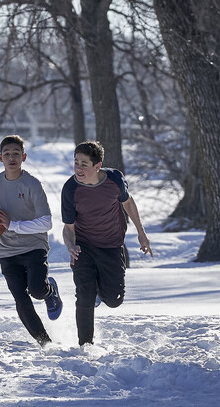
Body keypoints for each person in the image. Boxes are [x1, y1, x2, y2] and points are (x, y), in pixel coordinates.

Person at [0, 135, 62, 347]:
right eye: (7, 154)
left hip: (33, 247)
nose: (11, 158)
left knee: (37, 291)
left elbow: (46, 222)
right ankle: (45, 343)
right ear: (0, 158)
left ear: (24, 157)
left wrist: (13, 225)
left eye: (16, 154)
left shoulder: (32, 184)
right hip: (6, 251)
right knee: (20, 298)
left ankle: (50, 290)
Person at [60, 141, 153, 347]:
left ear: (97, 166)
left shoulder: (115, 180)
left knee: (114, 300)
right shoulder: (70, 189)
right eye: (76, 163)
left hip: (111, 245)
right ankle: (85, 346)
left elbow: (128, 202)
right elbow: (68, 228)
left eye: (84, 164)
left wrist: (141, 232)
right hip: (83, 246)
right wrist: (71, 246)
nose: (78, 168)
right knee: (84, 295)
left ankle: (98, 292)